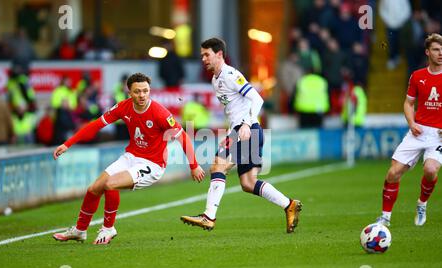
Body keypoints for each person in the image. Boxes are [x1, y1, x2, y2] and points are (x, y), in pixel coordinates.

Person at [52, 73, 205, 245]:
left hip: (152, 164)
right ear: (129, 92)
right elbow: (96, 125)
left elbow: (183, 136)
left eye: (145, 91)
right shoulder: (123, 107)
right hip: (131, 156)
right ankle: (80, 231)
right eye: (137, 91)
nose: (142, 95)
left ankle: (108, 228)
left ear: (150, 91)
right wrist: (68, 144)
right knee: (94, 188)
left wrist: (194, 165)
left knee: (111, 184)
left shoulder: (160, 113)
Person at [180, 38, 302, 233]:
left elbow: (257, 98)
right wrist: (230, 132)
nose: (203, 59)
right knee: (248, 183)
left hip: (247, 129)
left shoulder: (230, 74)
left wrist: (245, 124)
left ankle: (208, 216)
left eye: (206, 54)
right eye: (202, 55)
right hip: (244, 130)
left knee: (217, 166)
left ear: (219, 54)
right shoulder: (215, 79)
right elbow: (236, 108)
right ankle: (289, 205)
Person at [376, 33, 442, 227]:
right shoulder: (418, 76)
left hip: (438, 135)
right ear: (427, 52)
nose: (440, 53)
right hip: (418, 130)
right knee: (393, 173)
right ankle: (385, 217)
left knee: (430, 169)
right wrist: (411, 123)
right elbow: (408, 103)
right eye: (436, 50)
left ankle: (422, 203)